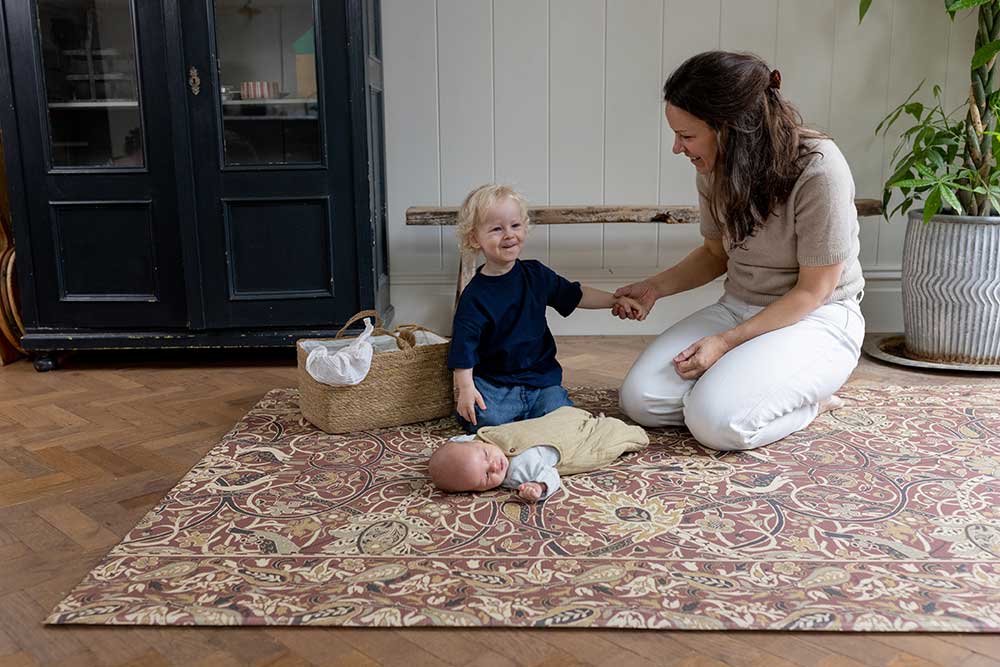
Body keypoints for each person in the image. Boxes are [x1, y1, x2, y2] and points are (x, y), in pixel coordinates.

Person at [613, 51, 865, 452]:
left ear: (731, 129)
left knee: (716, 425)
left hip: (817, 317)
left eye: (687, 136)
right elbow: (716, 254)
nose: (678, 148)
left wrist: (727, 344)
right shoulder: (713, 168)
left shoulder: (819, 170)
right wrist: (654, 288)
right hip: (740, 305)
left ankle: (810, 402)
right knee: (640, 400)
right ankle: (740, 393)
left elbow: (813, 291)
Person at [448, 184, 644, 433]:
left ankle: (548, 421)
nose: (509, 235)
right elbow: (463, 349)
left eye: (515, 226)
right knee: (485, 419)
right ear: (475, 238)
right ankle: (523, 423)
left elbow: (574, 294)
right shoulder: (474, 296)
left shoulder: (536, 275)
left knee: (561, 414)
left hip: (541, 381)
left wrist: (614, 301)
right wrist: (465, 389)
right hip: (497, 384)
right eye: (497, 229)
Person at [428, 406, 649, 502]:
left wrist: (449, 452)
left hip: (552, 424)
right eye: (486, 477)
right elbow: (550, 475)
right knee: (604, 443)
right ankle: (611, 427)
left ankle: (587, 420)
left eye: (486, 455)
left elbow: (459, 444)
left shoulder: (476, 442)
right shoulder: (519, 472)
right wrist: (539, 486)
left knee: (558, 413)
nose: (495, 466)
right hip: (570, 444)